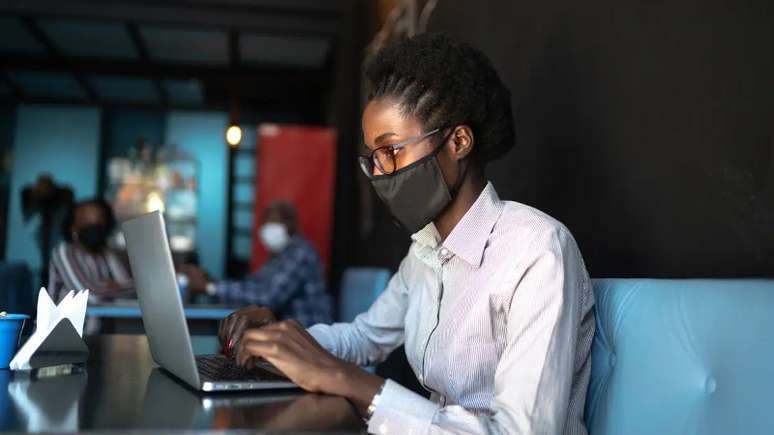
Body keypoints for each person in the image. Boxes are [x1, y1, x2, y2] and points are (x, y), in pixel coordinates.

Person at [219, 33, 595, 435]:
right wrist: (282, 342)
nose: (380, 173)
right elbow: (365, 336)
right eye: (373, 159)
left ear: (458, 142)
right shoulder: (426, 253)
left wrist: (354, 383)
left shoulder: (537, 250)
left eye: (391, 150)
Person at [186, 200, 332, 328]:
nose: (267, 228)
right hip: (290, 334)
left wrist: (211, 288)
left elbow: (268, 297)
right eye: (265, 223)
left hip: (310, 336)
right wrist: (210, 281)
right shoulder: (279, 255)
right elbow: (254, 286)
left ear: (290, 225)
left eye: (274, 222)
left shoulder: (301, 253)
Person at [48, 198, 133, 301]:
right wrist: (114, 286)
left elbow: (131, 288)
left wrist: (113, 287)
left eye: (99, 221)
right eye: (86, 221)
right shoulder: (64, 251)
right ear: (73, 228)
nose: (94, 225)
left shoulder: (106, 253)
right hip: (64, 317)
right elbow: (88, 295)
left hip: (103, 315)